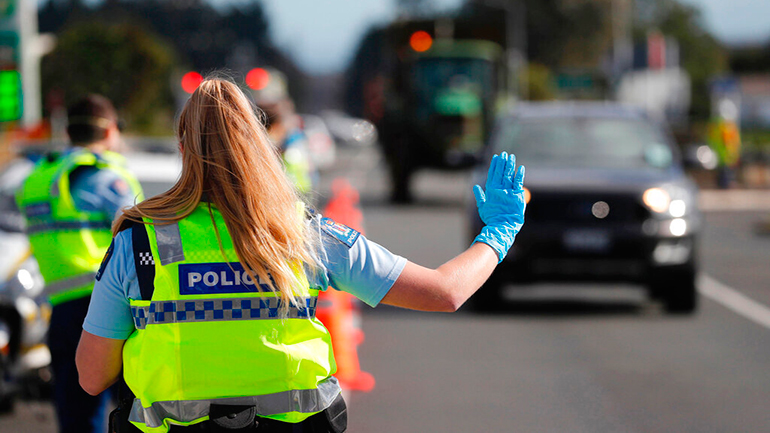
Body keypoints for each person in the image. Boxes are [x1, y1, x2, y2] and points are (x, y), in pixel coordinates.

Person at [74, 78, 525, 433]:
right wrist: (499, 233)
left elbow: (92, 378)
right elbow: (444, 292)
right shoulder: (303, 234)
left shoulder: (138, 244)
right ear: (259, 143)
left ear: (182, 147)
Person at [16, 94, 144, 433]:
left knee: (76, 415)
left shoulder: (39, 178)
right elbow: (146, 238)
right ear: (110, 130)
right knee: (142, 412)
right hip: (112, 301)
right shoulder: (104, 174)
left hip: (62, 307)